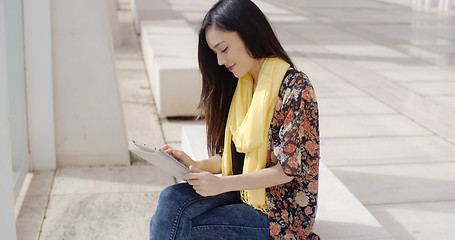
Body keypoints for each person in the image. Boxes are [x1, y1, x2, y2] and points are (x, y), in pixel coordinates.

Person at [149, 0, 320, 239]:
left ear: (248, 32)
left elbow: (287, 170)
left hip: (280, 212)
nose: (219, 61)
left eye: (223, 49)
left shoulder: (295, 88)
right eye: (215, 53)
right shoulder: (242, 83)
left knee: (182, 226)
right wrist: (196, 164)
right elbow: (234, 155)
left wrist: (222, 185)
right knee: (170, 198)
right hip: (243, 191)